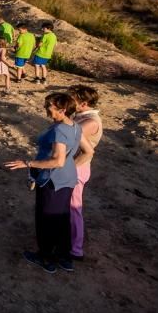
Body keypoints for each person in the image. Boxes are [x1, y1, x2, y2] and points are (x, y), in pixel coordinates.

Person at [4, 92, 93, 274]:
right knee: (61, 219)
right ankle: (65, 258)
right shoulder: (75, 127)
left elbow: (57, 161)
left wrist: (28, 163)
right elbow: (89, 151)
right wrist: (72, 167)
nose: (46, 109)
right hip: (68, 179)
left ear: (61, 110)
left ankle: (46, 258)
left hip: (53, 180)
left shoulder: (59, 130)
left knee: (46, 219)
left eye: (49, 107)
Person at [67, 85, 102, 262]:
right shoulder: (83, 117)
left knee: (74, 208)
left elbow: (68, 137)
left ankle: (76, 248)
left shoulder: (91, 122)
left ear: (84, 103)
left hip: (77, 168)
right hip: (74, 166)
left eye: (72, 99)